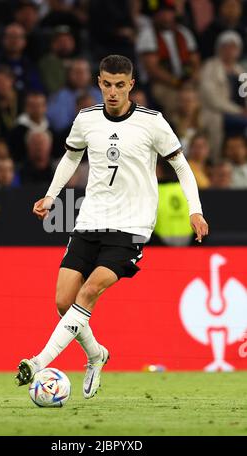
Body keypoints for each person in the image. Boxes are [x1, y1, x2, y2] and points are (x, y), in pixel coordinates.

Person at [15, 55, 208, 398]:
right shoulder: (87, 119)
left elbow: (181, 165)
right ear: (99, 82)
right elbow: (73, 156)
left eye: (121, 85)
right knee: (63, 302)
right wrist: (50, 196)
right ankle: (96, 355)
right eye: (107, 84)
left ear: (131, 85)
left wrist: (196, 210)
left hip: (131, 225)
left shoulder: (153, 122)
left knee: (89, 292)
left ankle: (39, 361)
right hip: (91, 219)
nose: (113, 92)